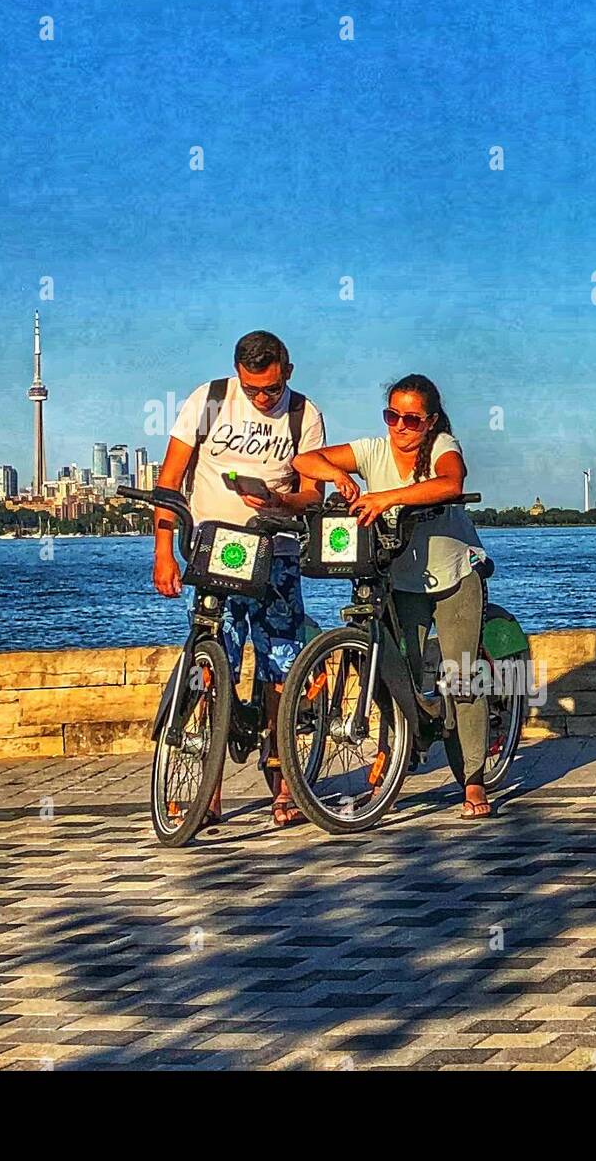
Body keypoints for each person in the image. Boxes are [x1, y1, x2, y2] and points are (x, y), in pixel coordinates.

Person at [292, 373, 493, 818]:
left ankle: (474, 780)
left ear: (430, 421)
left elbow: (451, 483)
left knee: (461, 675)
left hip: (452, 573)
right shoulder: (372, 450)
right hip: (397, 578)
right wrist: (339, 479)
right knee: (392, 672)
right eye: (392, 416)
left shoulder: (441, 446)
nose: (399, 427)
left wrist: (385, 498)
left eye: (411, 419)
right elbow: (305, 459)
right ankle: (399, 757)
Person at [152, 330, 326, 827]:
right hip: (216, 551)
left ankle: (284, 780)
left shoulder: (304, 415)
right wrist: (164, 551)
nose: (263, 398)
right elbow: (169, 484)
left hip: (277, 548)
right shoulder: (207, 401)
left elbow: (312, 492)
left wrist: (281, 502)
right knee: (212, 667)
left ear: (287, 372)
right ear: (237, 375)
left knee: (281, 666)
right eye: (253, 390)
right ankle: (209, 793)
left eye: (271, 388)